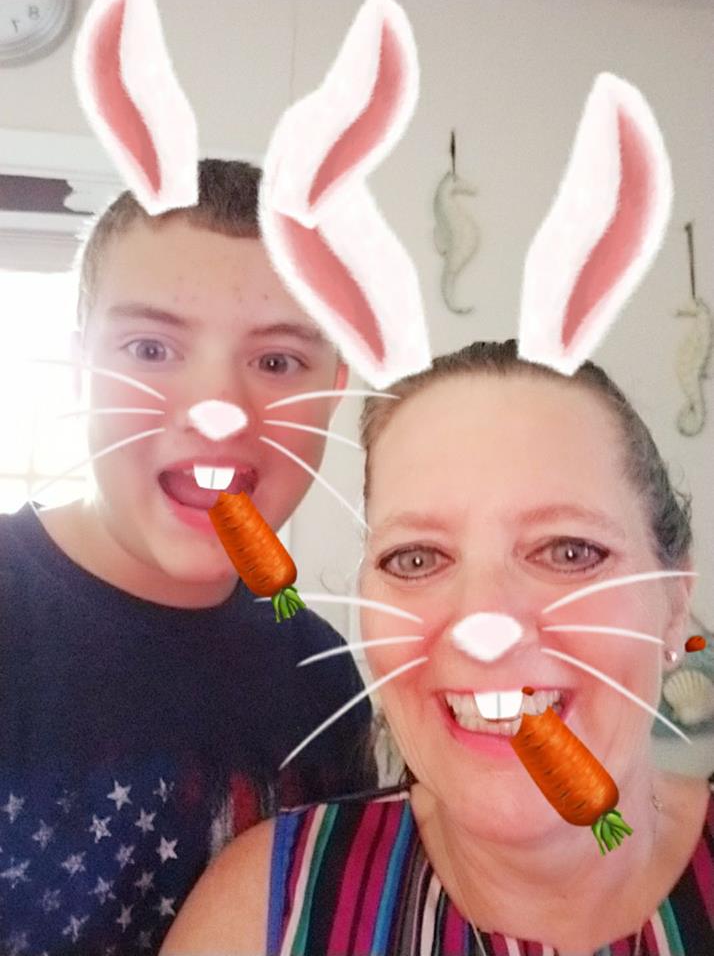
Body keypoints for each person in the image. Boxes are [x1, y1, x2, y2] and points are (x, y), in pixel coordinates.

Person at [162, 340, 713, 956]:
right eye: (417, 558)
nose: (484, 628)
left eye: (568, 551)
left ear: (673, 605)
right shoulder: (261, 912)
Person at [0, 159, 377, 955]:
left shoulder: (325, 680)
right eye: (151, 348)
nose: (217, 413)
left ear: (333, 389)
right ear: (80, 368)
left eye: (276, 362)